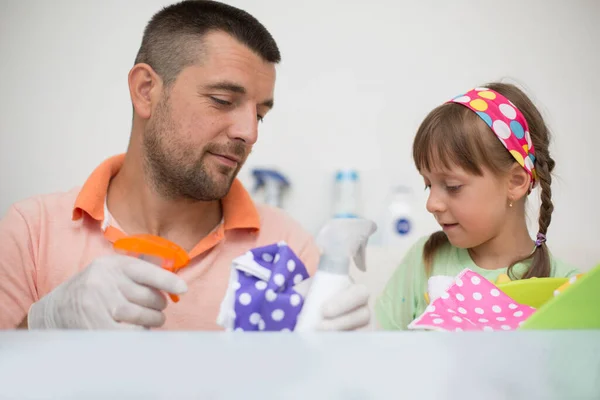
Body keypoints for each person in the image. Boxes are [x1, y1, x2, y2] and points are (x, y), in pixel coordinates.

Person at [0, 0, 370, 331]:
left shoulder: (287, 245)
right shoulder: (32, 233)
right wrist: (39, 323)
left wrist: (330, 361)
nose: (250, 133)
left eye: (261, 114)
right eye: (223, 100)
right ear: (146, 90)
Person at [375, 82, 579, 330]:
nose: (432, 204)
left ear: (515, 182)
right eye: (429, 185)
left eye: (452, 186)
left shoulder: (568, 288)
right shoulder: (424, 260)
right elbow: (381, 354)